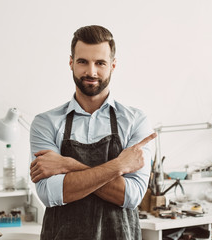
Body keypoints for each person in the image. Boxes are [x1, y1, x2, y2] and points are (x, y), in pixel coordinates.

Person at [29, 25, 156, 240]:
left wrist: (68, 165)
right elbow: (51, 194)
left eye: (100, 63)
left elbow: (131, 196)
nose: (91, 72)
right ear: (71, 63)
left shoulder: (135, 121)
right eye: (82, 62)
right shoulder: (45, 123)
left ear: (113, 66)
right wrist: (119, 166)